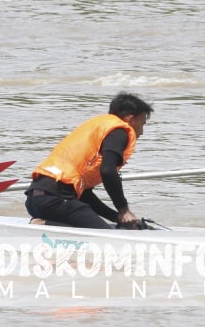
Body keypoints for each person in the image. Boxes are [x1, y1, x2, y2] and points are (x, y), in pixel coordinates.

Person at [25, 92, 154, 229]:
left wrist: (117, 218)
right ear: (131, 119)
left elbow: (85, 195)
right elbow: (108, 171)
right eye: (142, 123)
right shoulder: (119, 131)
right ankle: (44, 224)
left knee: (104, 226)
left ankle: (47, 223)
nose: (141, 132)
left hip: (36, 200)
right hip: (56, 200)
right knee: (106, 235)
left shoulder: (99, 126)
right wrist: (124, 209)